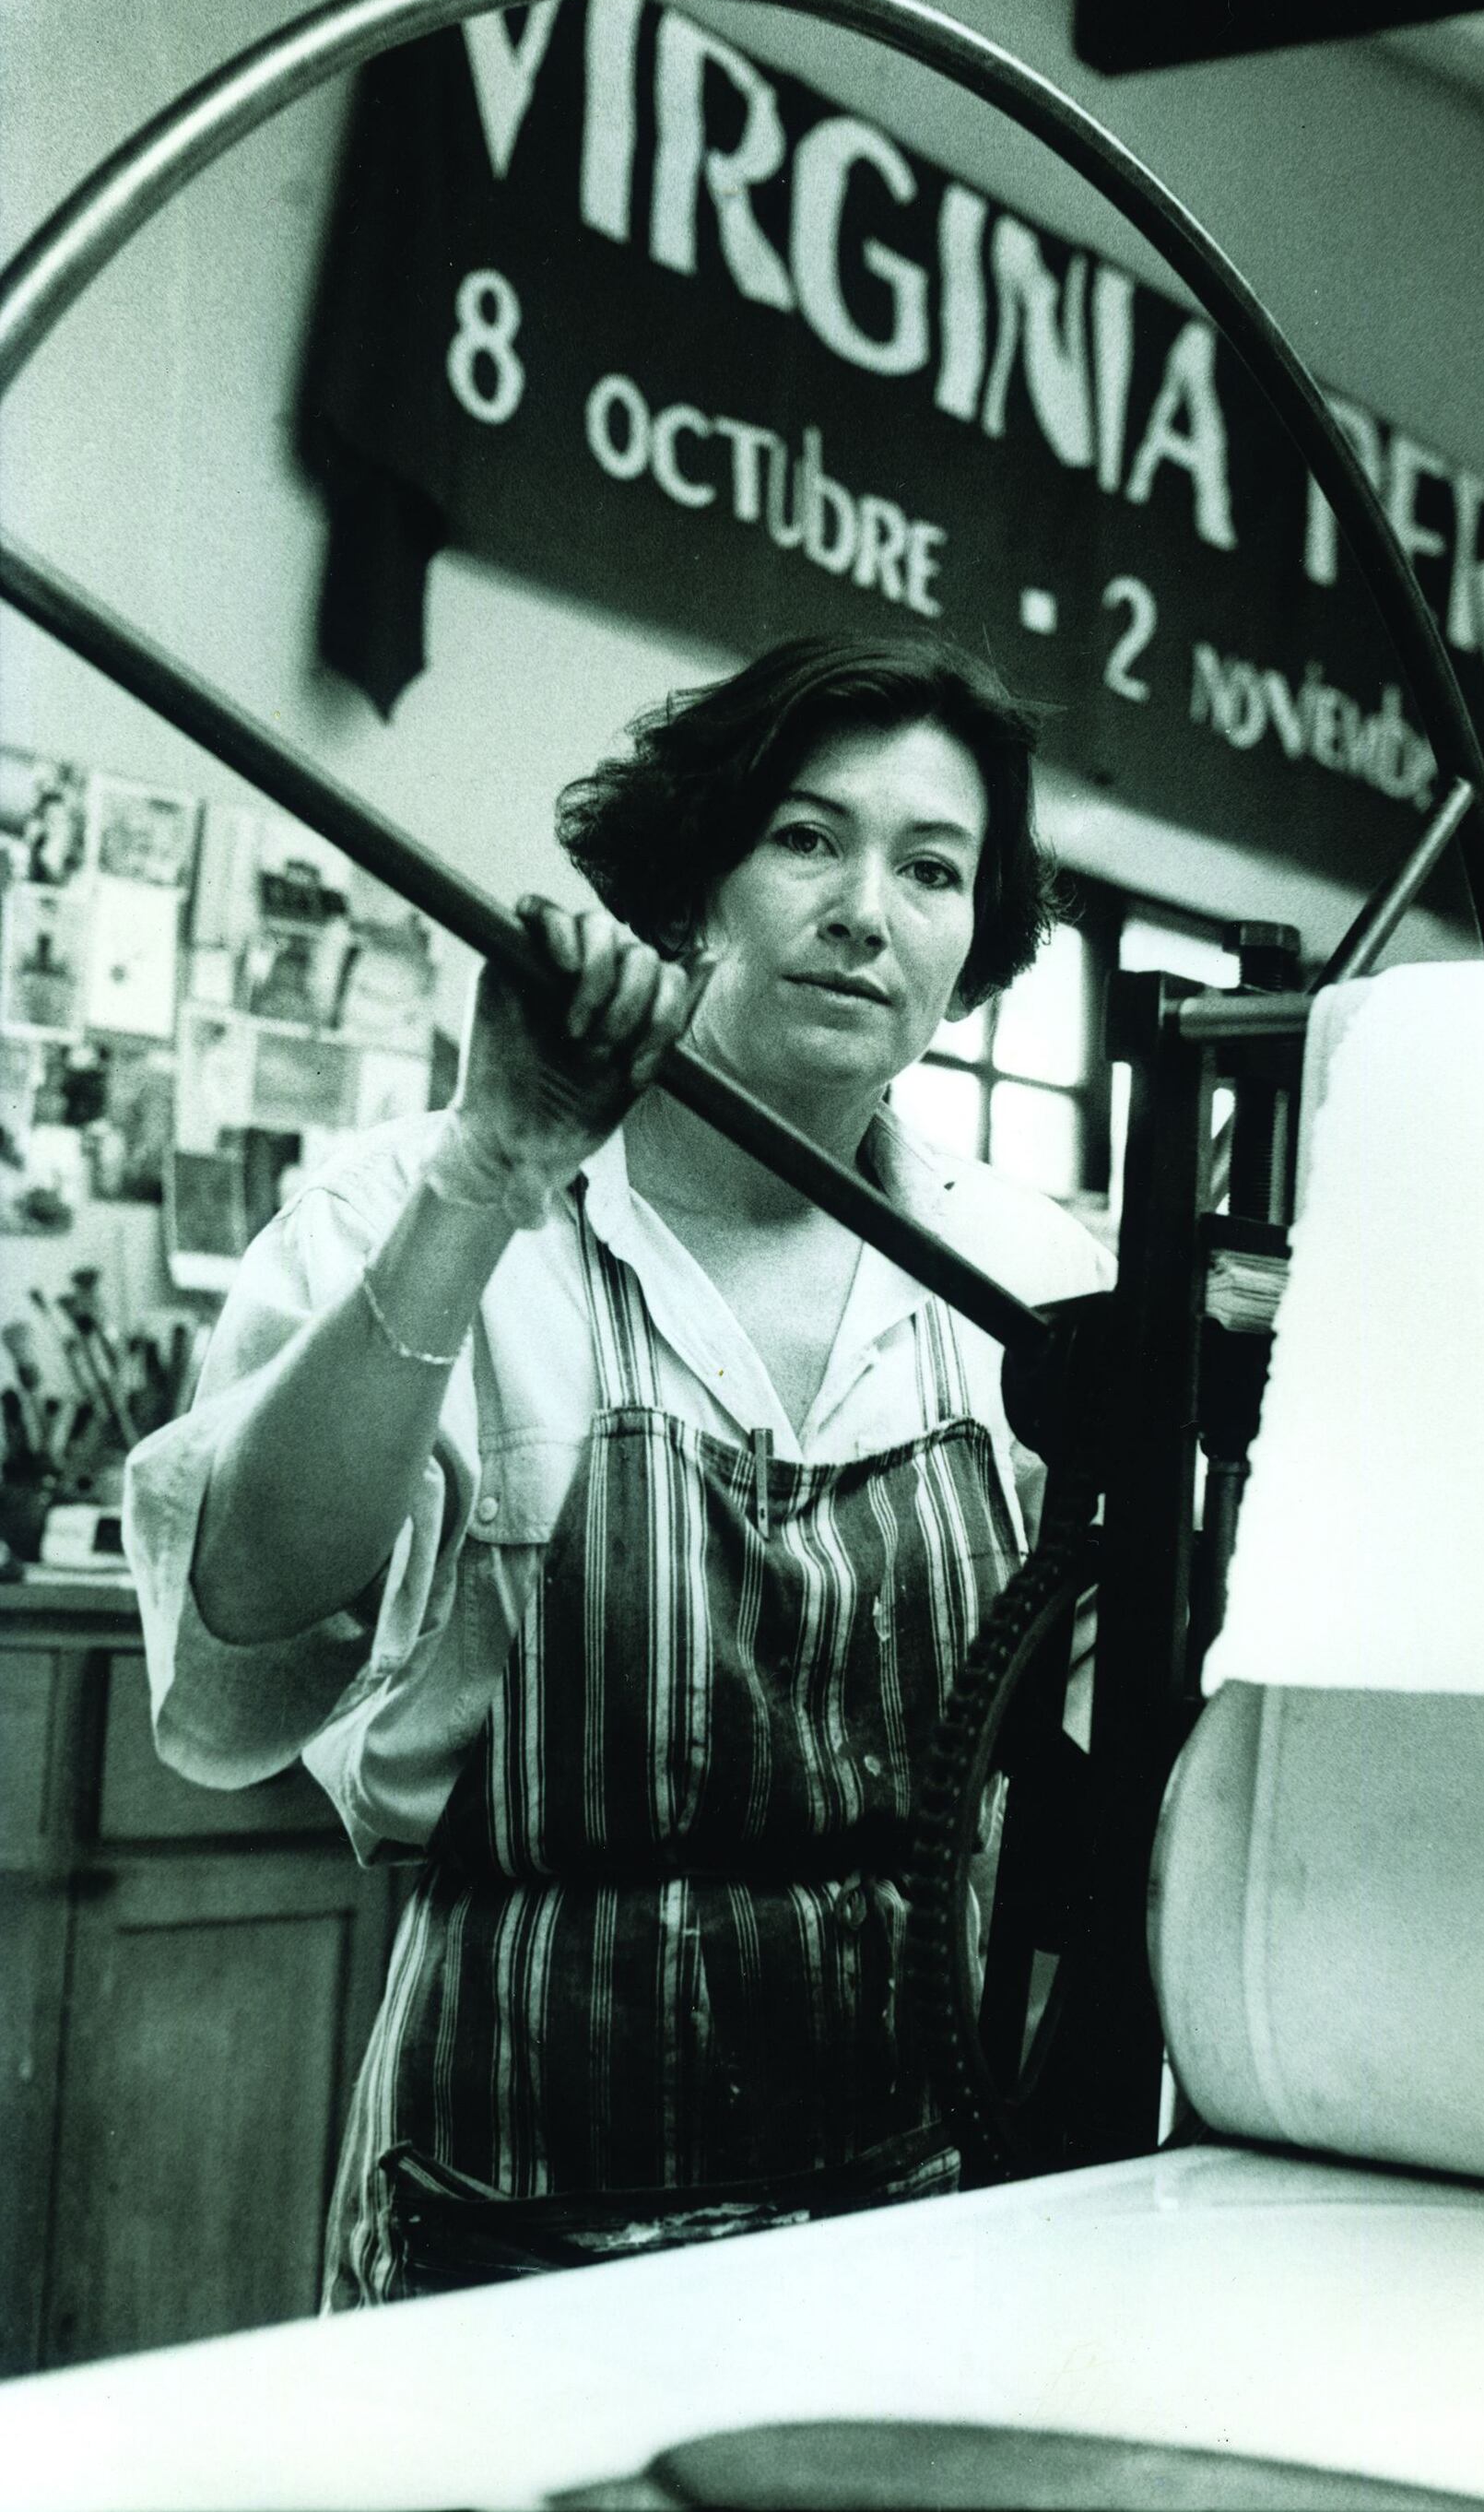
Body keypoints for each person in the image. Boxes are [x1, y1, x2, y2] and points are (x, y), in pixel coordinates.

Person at [124, 633, 1113, 2306]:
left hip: (911, 2220)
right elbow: (234, 1672)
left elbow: (1111, 1739)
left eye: (932, 867)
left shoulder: (1032, 1282)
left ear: (975, 939)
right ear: (692, 880)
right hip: (505, 2230)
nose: (864, 910)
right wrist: (489, 1170)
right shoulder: (413, 1211)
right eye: (806, 838)